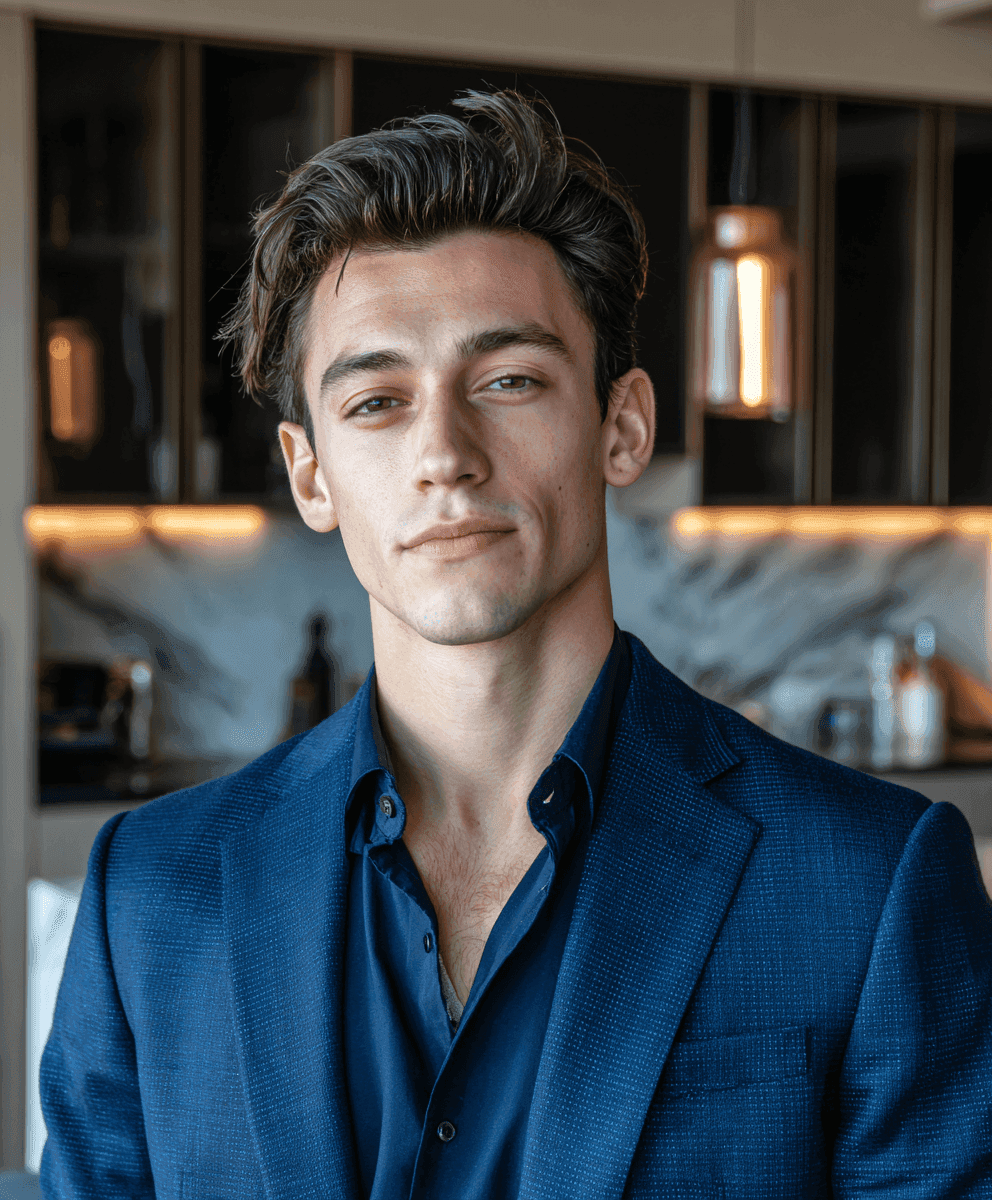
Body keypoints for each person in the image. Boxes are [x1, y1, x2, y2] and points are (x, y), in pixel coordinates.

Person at [40, 90, 992, 1199]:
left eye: (508, 381)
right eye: (376, 401)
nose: (444, 452)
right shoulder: (150, 895)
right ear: (310, 474)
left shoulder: (868, 882)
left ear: (620, 425)